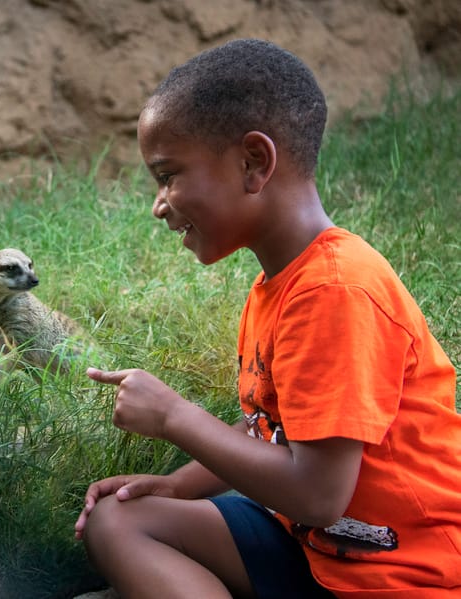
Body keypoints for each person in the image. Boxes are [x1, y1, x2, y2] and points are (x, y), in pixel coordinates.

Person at [73, 38, 460, 598]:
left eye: (168, 174)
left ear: (253, 163)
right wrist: (180, 486)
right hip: (310, 548)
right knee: (120, 518)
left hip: (404, 575)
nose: (159, 203)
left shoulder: (335, 290)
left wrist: (175, 417)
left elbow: (318, 495)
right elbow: (275, 432)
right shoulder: (278, 283)